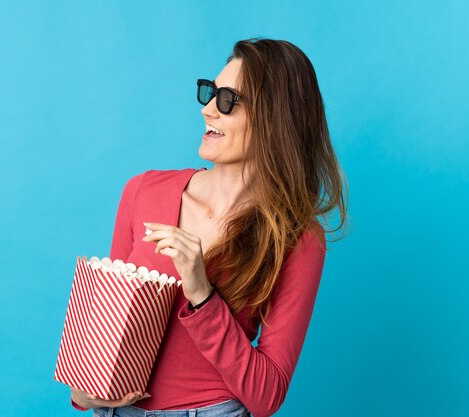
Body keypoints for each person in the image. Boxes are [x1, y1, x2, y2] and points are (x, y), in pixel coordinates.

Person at [68, 37, 348, 417]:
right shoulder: (143, 191)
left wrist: (201, 293)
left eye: (229, 100)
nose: (208, 111)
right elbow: (105, 335)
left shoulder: (298, 238)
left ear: (275, 119)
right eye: (211, 93)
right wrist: (85, 395)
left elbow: (267, 396)